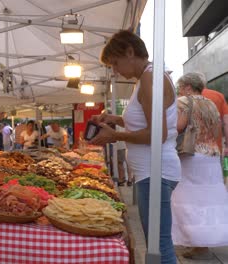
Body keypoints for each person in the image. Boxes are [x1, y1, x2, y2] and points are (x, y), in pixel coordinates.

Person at [90, 30, 180, 264]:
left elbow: (156, 134)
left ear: (130, 52)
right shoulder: (146, 78)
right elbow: (145, 122)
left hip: (155, 172)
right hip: (150, 172)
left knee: (159, 248)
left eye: (115, 63)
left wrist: (115, 136)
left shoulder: (150, 77)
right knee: (158, 244)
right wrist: (114, 118)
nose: (115, 70)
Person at [171, 73, 228, 259]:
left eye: (180, 87)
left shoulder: (183, 102)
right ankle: (202, 244)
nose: (179, 90)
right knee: (208, 201)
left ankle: (197, 244)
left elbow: (178, 126)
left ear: (188, 86)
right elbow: (219, 128)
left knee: (189, 200)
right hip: (211, 156)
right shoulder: (211, 104)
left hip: (192, 156)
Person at [196, 73, 228, 157]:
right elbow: (226, 122)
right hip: (215, 149)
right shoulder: (218, 96)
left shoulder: (185, 97)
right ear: (204, 82)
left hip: (192, 150)